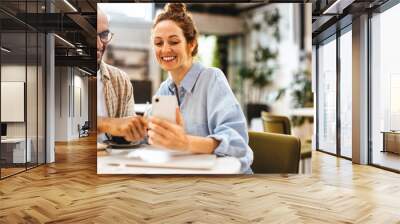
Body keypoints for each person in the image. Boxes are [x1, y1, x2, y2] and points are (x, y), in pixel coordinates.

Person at [148, 3, 253, 173]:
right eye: (158, 43)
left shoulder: (212, 79)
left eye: (174, 41)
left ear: (191, 44)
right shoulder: (165, 89)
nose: (165, 49)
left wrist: (186, 143)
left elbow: (237, 142)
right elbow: (151, 130)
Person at [97, 8, 147, 141]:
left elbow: (128, 139)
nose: (98, 44)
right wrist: (106, 124)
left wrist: (135, 131)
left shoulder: (120, 80)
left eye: (103, 34)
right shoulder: (59, 75)